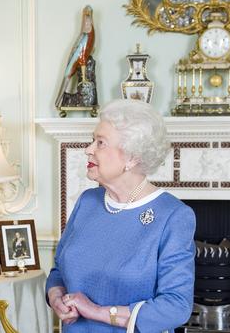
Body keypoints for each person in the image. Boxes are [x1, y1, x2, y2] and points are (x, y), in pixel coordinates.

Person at [46, 99, 195, 332]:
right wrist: (56, 298)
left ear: (132, 157)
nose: (88, 149)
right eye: (92, 140)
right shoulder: (88, 202)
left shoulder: (173, 216)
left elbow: (176, 306)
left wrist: (96, 312)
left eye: (100, 143)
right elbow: (58, 272)